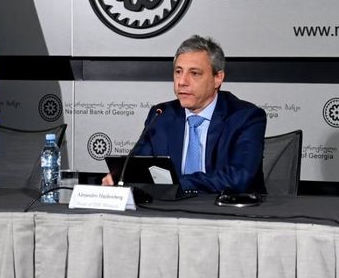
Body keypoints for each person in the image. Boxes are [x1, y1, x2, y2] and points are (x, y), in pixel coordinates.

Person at [105, 35, 267, 194]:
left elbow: (239, 177)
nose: (182, 81)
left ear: (218, 78)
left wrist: (178, 184)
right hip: (170, 212)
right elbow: (138, 168)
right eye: (178, 72)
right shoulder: (161, 116)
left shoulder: (246, 117)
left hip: (227, 212)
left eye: (194, 73)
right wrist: (121, 177)